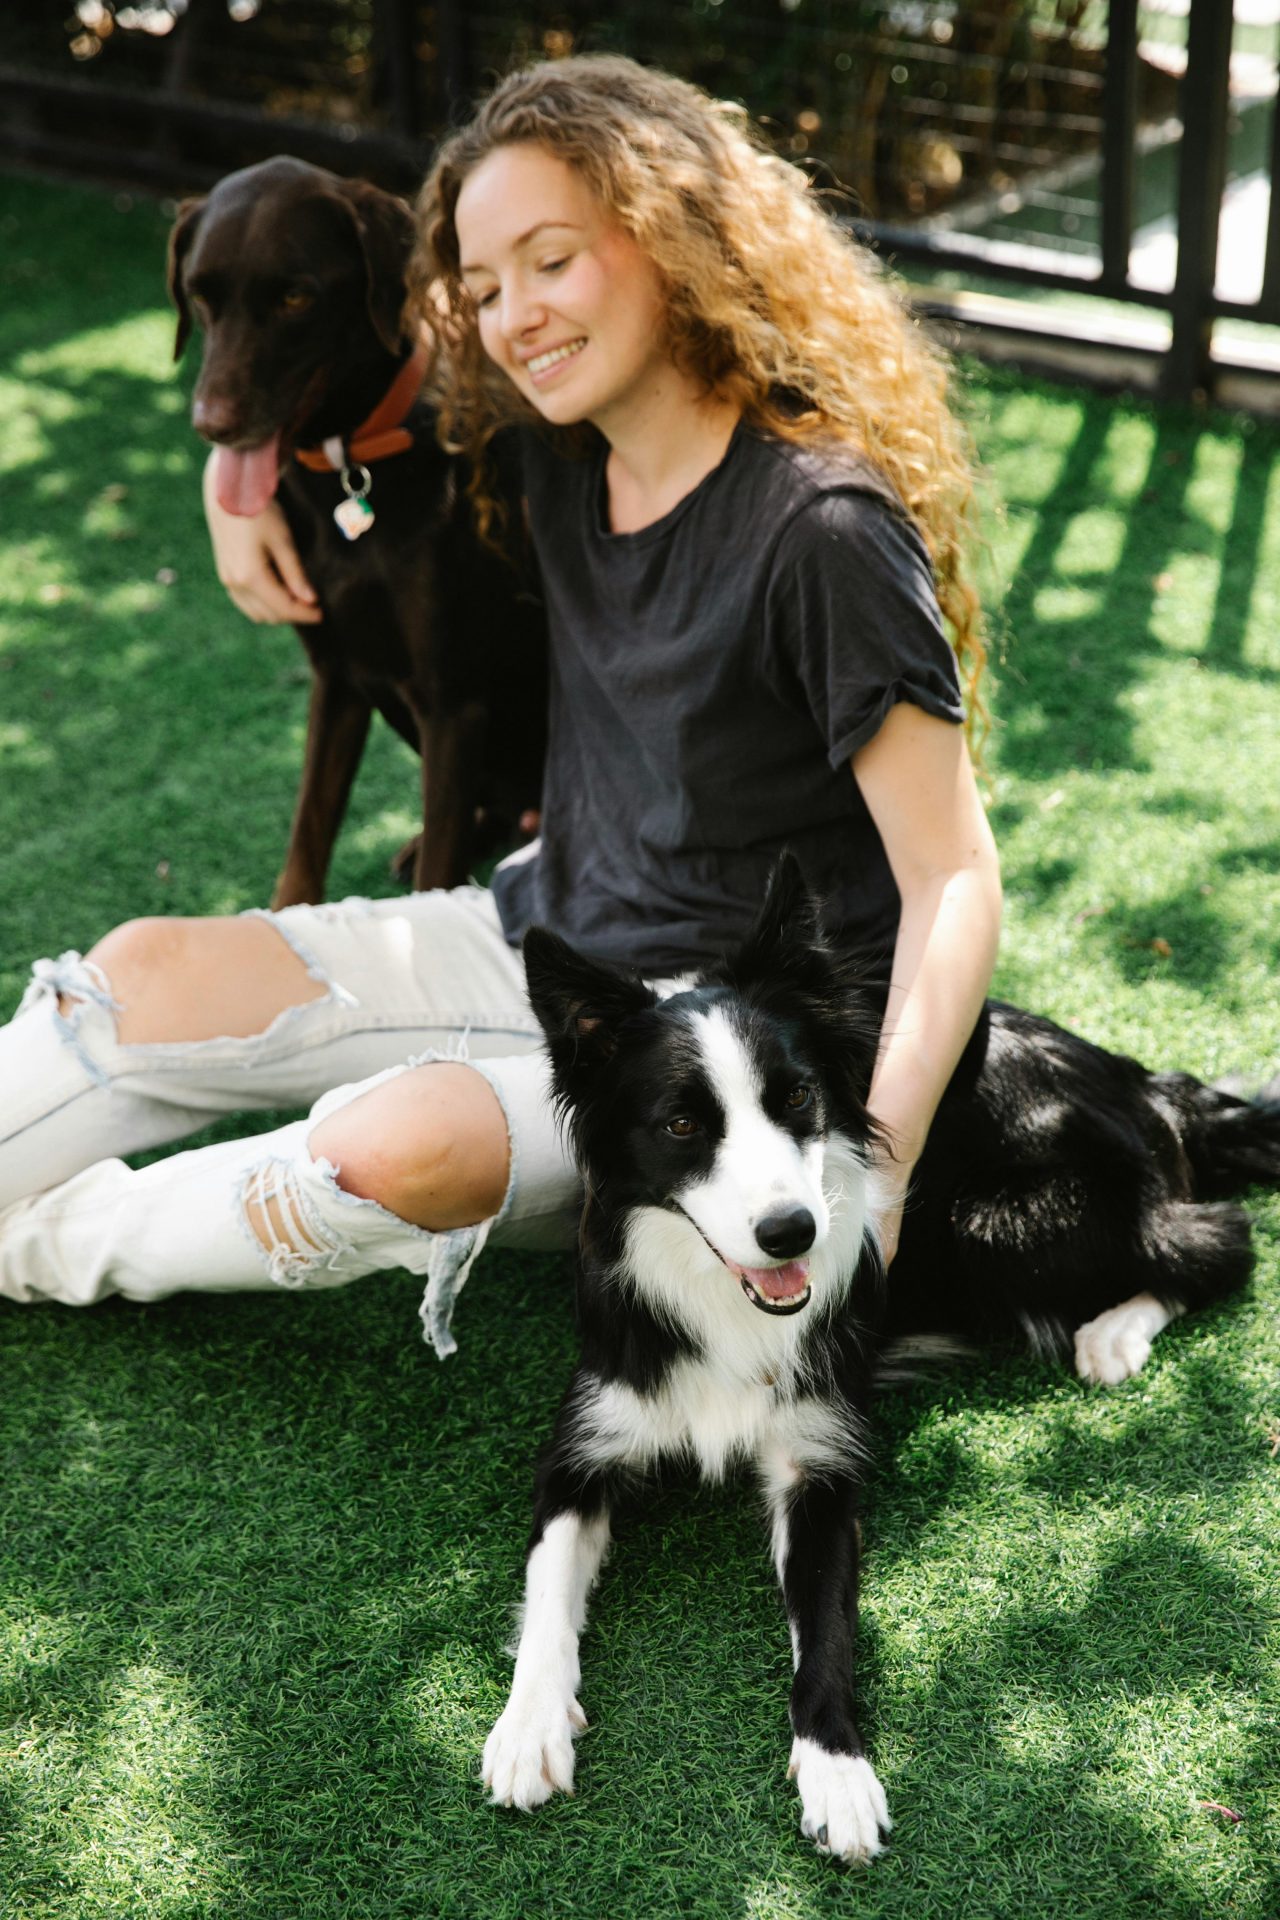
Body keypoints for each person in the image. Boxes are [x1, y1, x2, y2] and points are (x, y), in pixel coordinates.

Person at [0, 55, 1001, 1352]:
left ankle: (42, 1252)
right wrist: (228, 492)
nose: (512, 314)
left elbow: (955, 876)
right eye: (482, 286)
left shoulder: (820, 528)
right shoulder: (549, 439)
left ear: (673, 238)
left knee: (398, 1142)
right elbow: (353, 367)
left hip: (725, 1048)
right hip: (545, 932)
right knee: (141, 971)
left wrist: (880, 1169)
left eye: (551, 260)